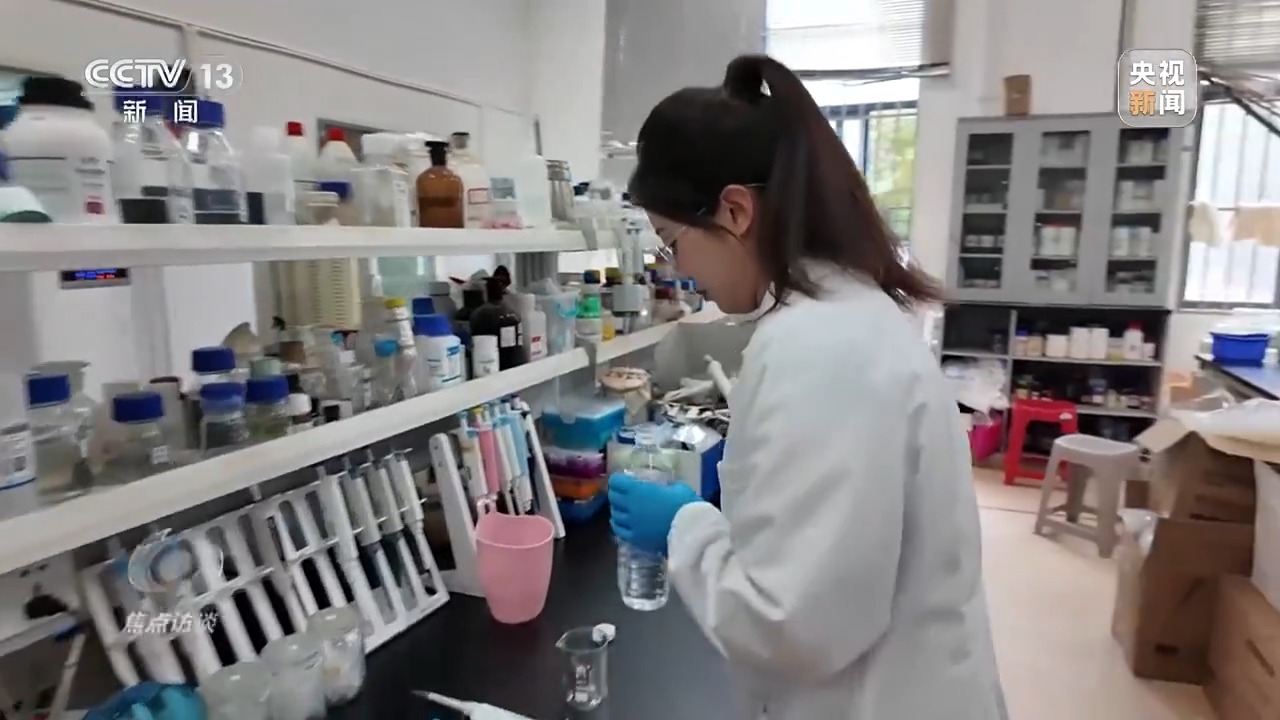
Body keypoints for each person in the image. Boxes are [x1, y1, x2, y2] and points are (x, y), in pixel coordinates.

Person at [606, 54, 1010, 720]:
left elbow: (791, 626)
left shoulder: (819, 347)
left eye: (671, 241)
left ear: (735, 211)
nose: (676, 270)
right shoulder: (843, 314)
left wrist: (683, 527)